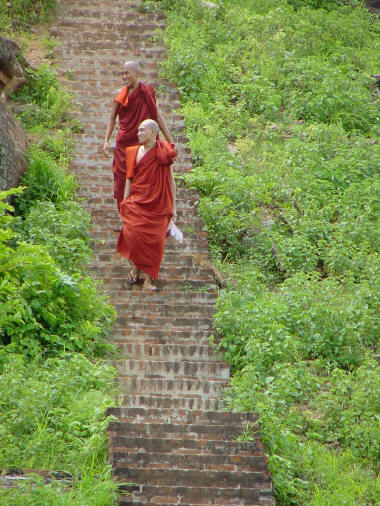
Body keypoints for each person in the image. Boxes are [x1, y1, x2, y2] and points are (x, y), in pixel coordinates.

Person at [103, 60, 173, 215]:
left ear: (137, 73)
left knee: (144, 179)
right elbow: (112, 118)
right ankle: (124, 217)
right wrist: (106, 140)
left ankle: (143, 214)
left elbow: (158, 117)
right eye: (122, 73)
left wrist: (170, 140)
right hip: (124, 144)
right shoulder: (118, 95)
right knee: (122, 180)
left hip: (143, 144)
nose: (124, 77)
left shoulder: (146, 92)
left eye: (127, 73)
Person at [116, 119, 177, 291]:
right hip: (138, 201)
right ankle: (136, 267)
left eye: (142, 130)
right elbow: (129, 179)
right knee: (134, 235)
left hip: (159, 205)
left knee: (156, 243)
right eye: (138, 131)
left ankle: (149, 281)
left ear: (153, 133)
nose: (139, 134)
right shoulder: (133, 152)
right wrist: (125, 201)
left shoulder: (164, 152)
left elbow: (172, 182)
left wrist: (174, 207)